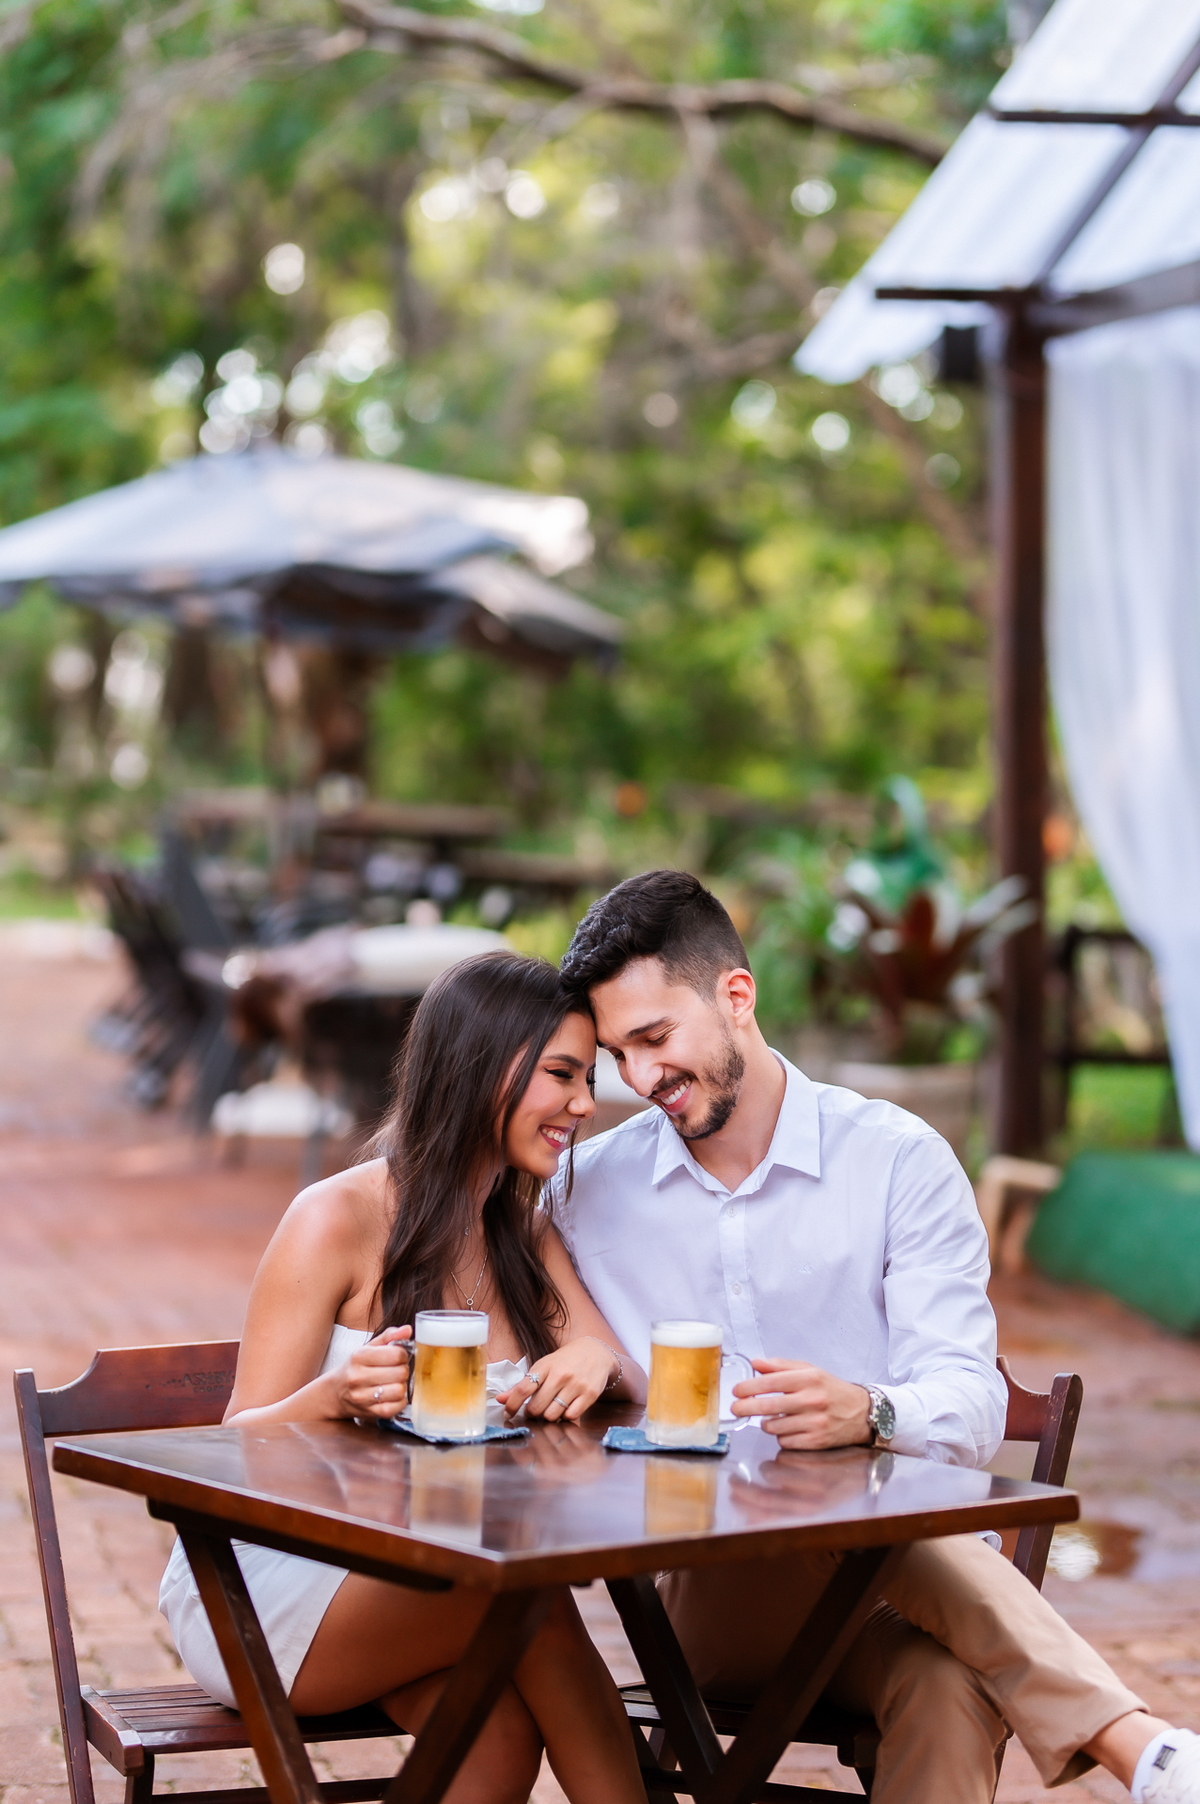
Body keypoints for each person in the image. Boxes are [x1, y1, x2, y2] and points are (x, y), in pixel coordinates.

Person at [505, 870, 1200, 1804]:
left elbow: (969, 1403)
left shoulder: (898, 1162)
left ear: (736, 997)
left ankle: (1141, 1751)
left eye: (655, 1039)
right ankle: (1137, 1745)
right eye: (618, 1055)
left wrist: (868, 1411)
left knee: (949, 1680)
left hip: (900, 1599)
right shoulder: (586, 1191)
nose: (639, 1078)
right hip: (716, 1602)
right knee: (832, 1491)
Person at [160, 950, 649, 1804]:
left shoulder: (521, 1233)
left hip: (427, 1571)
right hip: (262, 1583)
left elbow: (619, 1370)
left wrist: (593, 1357)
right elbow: (226, 1450)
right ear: (478, 1070)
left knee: (495, 1737)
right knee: (527, 1608)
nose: (584, 1102)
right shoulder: (334, 1218)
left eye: (589, 1075)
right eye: (562, 1074)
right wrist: (330, 1400)